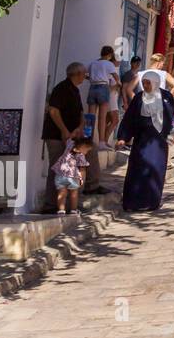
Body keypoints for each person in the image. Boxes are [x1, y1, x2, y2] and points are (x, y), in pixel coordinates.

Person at [117, 71, 174, 211]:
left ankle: (151, 202)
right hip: (142, 141)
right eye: (143, 83)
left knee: (155, 169)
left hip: (159, 142)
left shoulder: (166, 97)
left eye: (148, 83)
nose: (145, 85)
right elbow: (129, 118)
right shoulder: (139, 98)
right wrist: (123, 137)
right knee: (138, 169)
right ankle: (133, 202)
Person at [42, 62, 87, 211]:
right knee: (56, 168)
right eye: (83, 73)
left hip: (72, 137)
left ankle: (68, 205)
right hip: (56, 136)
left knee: (70, 170)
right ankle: (51, 204)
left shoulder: (76, 91)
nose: (84, 76)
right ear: (77, 74)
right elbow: (53, 111)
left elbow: (81, 112)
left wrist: (80, 128)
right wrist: (64, 130)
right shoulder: (61, 89)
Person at [85, 46, 119, 150]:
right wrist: (118, 83)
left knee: (90, 117)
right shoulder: (109, 64)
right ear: (109, 55)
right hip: (103, 87)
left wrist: (91, 78)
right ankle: (101, 142)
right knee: (102, 117)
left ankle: (87, 140)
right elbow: (116, 77)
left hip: (92, 87)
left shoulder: (93, 63)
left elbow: (85, 73)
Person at [51, 135, 93, 214]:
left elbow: (69, 138)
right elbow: (82, 170)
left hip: (60, 175)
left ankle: (61, 210)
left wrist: (76, 133)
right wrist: (81, 180)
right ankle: (73, 210)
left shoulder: (69, 145)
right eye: (87, 150)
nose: (87, 152)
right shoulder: (81, 157)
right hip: (72, 177)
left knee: (61, 194)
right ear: (83, 146)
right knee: (74, 194)